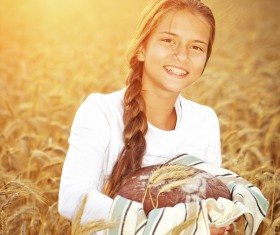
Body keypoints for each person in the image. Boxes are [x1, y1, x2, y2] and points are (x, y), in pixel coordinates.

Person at [59, 0, 234, 234]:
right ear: (141, 48)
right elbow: (73, 199)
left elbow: (209, 199)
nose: (181, 55)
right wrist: (172, 225)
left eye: (196, 47)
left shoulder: (204, 121)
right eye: (168, 40)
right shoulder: (101, 112)